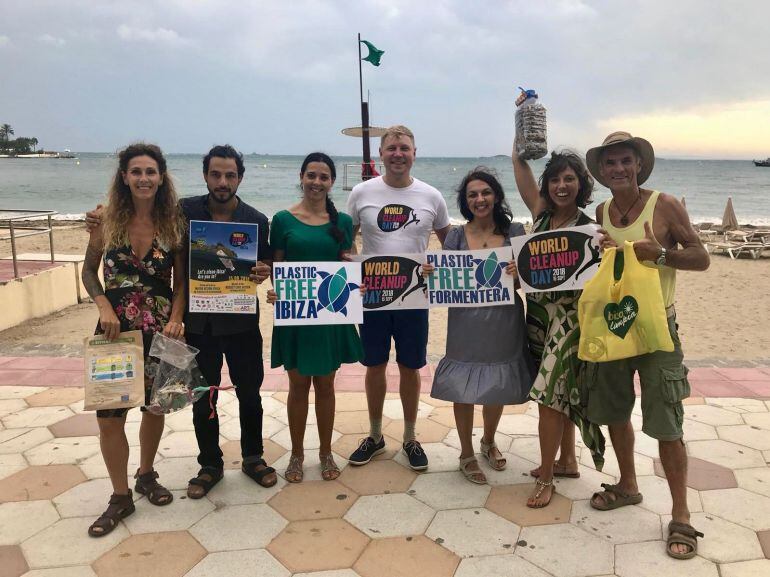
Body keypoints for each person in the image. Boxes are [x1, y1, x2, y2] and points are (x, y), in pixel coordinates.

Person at [88, 144, 277, 498]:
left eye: (230, 175)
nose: (222, 182)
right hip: (198, 324)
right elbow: (140, 212)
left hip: (241, 323)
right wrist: (99, 216)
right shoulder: (183, 212)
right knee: (202, 398)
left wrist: (263, 271)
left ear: (240, 178)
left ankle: (254, 458)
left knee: (250, 395)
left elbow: (264, 265)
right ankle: (210, 465)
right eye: (215, 174)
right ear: (205, 175)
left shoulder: (256, 219)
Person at [585, 131, 709, 559]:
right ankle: (628, 484)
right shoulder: (600, 212)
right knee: (616, 411)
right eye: (610, 163)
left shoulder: (665, 205)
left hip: (658, 328)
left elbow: (702, 258)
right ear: (602, 171)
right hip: (615, 326)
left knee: (667, 422)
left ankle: (681, 514)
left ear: (639, 164)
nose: (618, 169)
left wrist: (661, 255)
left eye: (625, 161)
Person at [82, 143, 186, 537]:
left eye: (151, 171)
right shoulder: (106, 221)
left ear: (161, 177)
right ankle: (120, 495)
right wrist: (103, 306)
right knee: (109, 417)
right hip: (115, 332)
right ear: (124, 176)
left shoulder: (173, 223)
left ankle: (146, 474)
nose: (144, 178)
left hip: (161, 329)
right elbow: (89, 272)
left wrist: (176, 319)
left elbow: (181, 282)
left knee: (155, 409)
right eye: (136, 171)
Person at [346, 125, 451, 471]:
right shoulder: (361, 193)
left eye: (404, 148)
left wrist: (438, 266)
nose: (397, 154)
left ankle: (409, 437)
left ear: (414, 153)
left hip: (414, 298)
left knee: (411, 366)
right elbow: (346, 240)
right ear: (381, 154)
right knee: (374, 365)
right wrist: (350, 266)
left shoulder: (431, 196)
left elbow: (451, 245)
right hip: (373, 297)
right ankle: (375, 436)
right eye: (391, 148)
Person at [512, 145, 606, 508]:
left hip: (569, 321)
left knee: (548, 396)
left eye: (569, 179)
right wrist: (519, 139)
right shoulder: (541, 216)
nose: (561, 186)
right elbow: (521, 171)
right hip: (538, 317)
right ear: (547, 184)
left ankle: (547, 477)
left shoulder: (590, 228)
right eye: (554, 179)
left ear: (581, 184)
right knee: (560, 393)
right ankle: (567, 460)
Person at [430, 168, 535, 484]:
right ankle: (466, 453)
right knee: (462, 386)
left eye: (485, 192)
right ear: (465, 201)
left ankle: (488, 440)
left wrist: (520, 273)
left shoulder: (515, 231)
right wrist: (430, 273)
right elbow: (444, 279)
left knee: (496, 382)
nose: (480, 199)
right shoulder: (456, 236)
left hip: (504, 319)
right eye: (472, 194)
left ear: (496, 195)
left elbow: (530, 278)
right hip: (465, 322)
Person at [267, 152, 364, 482]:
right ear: (301, 177)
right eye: (311, 175)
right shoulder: (283, 220)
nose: (317, 182)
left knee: (326, 385)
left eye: (323, 177)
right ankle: (296, 454)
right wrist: (276, 291)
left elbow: (347, 265)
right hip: (296, 316)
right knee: (297, 386)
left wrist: (358, 284)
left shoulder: (343, 222)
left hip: (329, 314)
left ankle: (325, 452)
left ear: (331, 182)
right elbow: (277, 267)